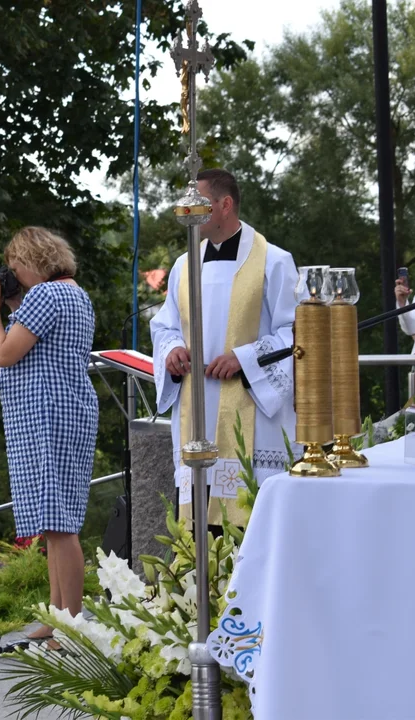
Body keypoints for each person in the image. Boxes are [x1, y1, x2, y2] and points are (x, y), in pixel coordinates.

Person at [150, 169, 299, 525]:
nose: (188, 215)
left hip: (252, 411)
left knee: (249, 523)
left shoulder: (274, 261)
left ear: (225, 205)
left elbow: (295, 333)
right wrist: (171, 349)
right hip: (196, 409)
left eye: (197, 206)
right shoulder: (183, 264)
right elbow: (165, 325)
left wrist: (244, 359)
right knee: (200, 523)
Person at [0, 226, 98, 644]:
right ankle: (58, 613)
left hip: (48, 416)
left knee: (60, 525)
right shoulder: (74, 294)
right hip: (66, 411)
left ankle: (70, 624)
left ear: (32, 261)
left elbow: (5, 353)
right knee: (54, 522)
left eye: (14, 268)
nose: (11, 275)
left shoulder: (46, 296)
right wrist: (14, 303)